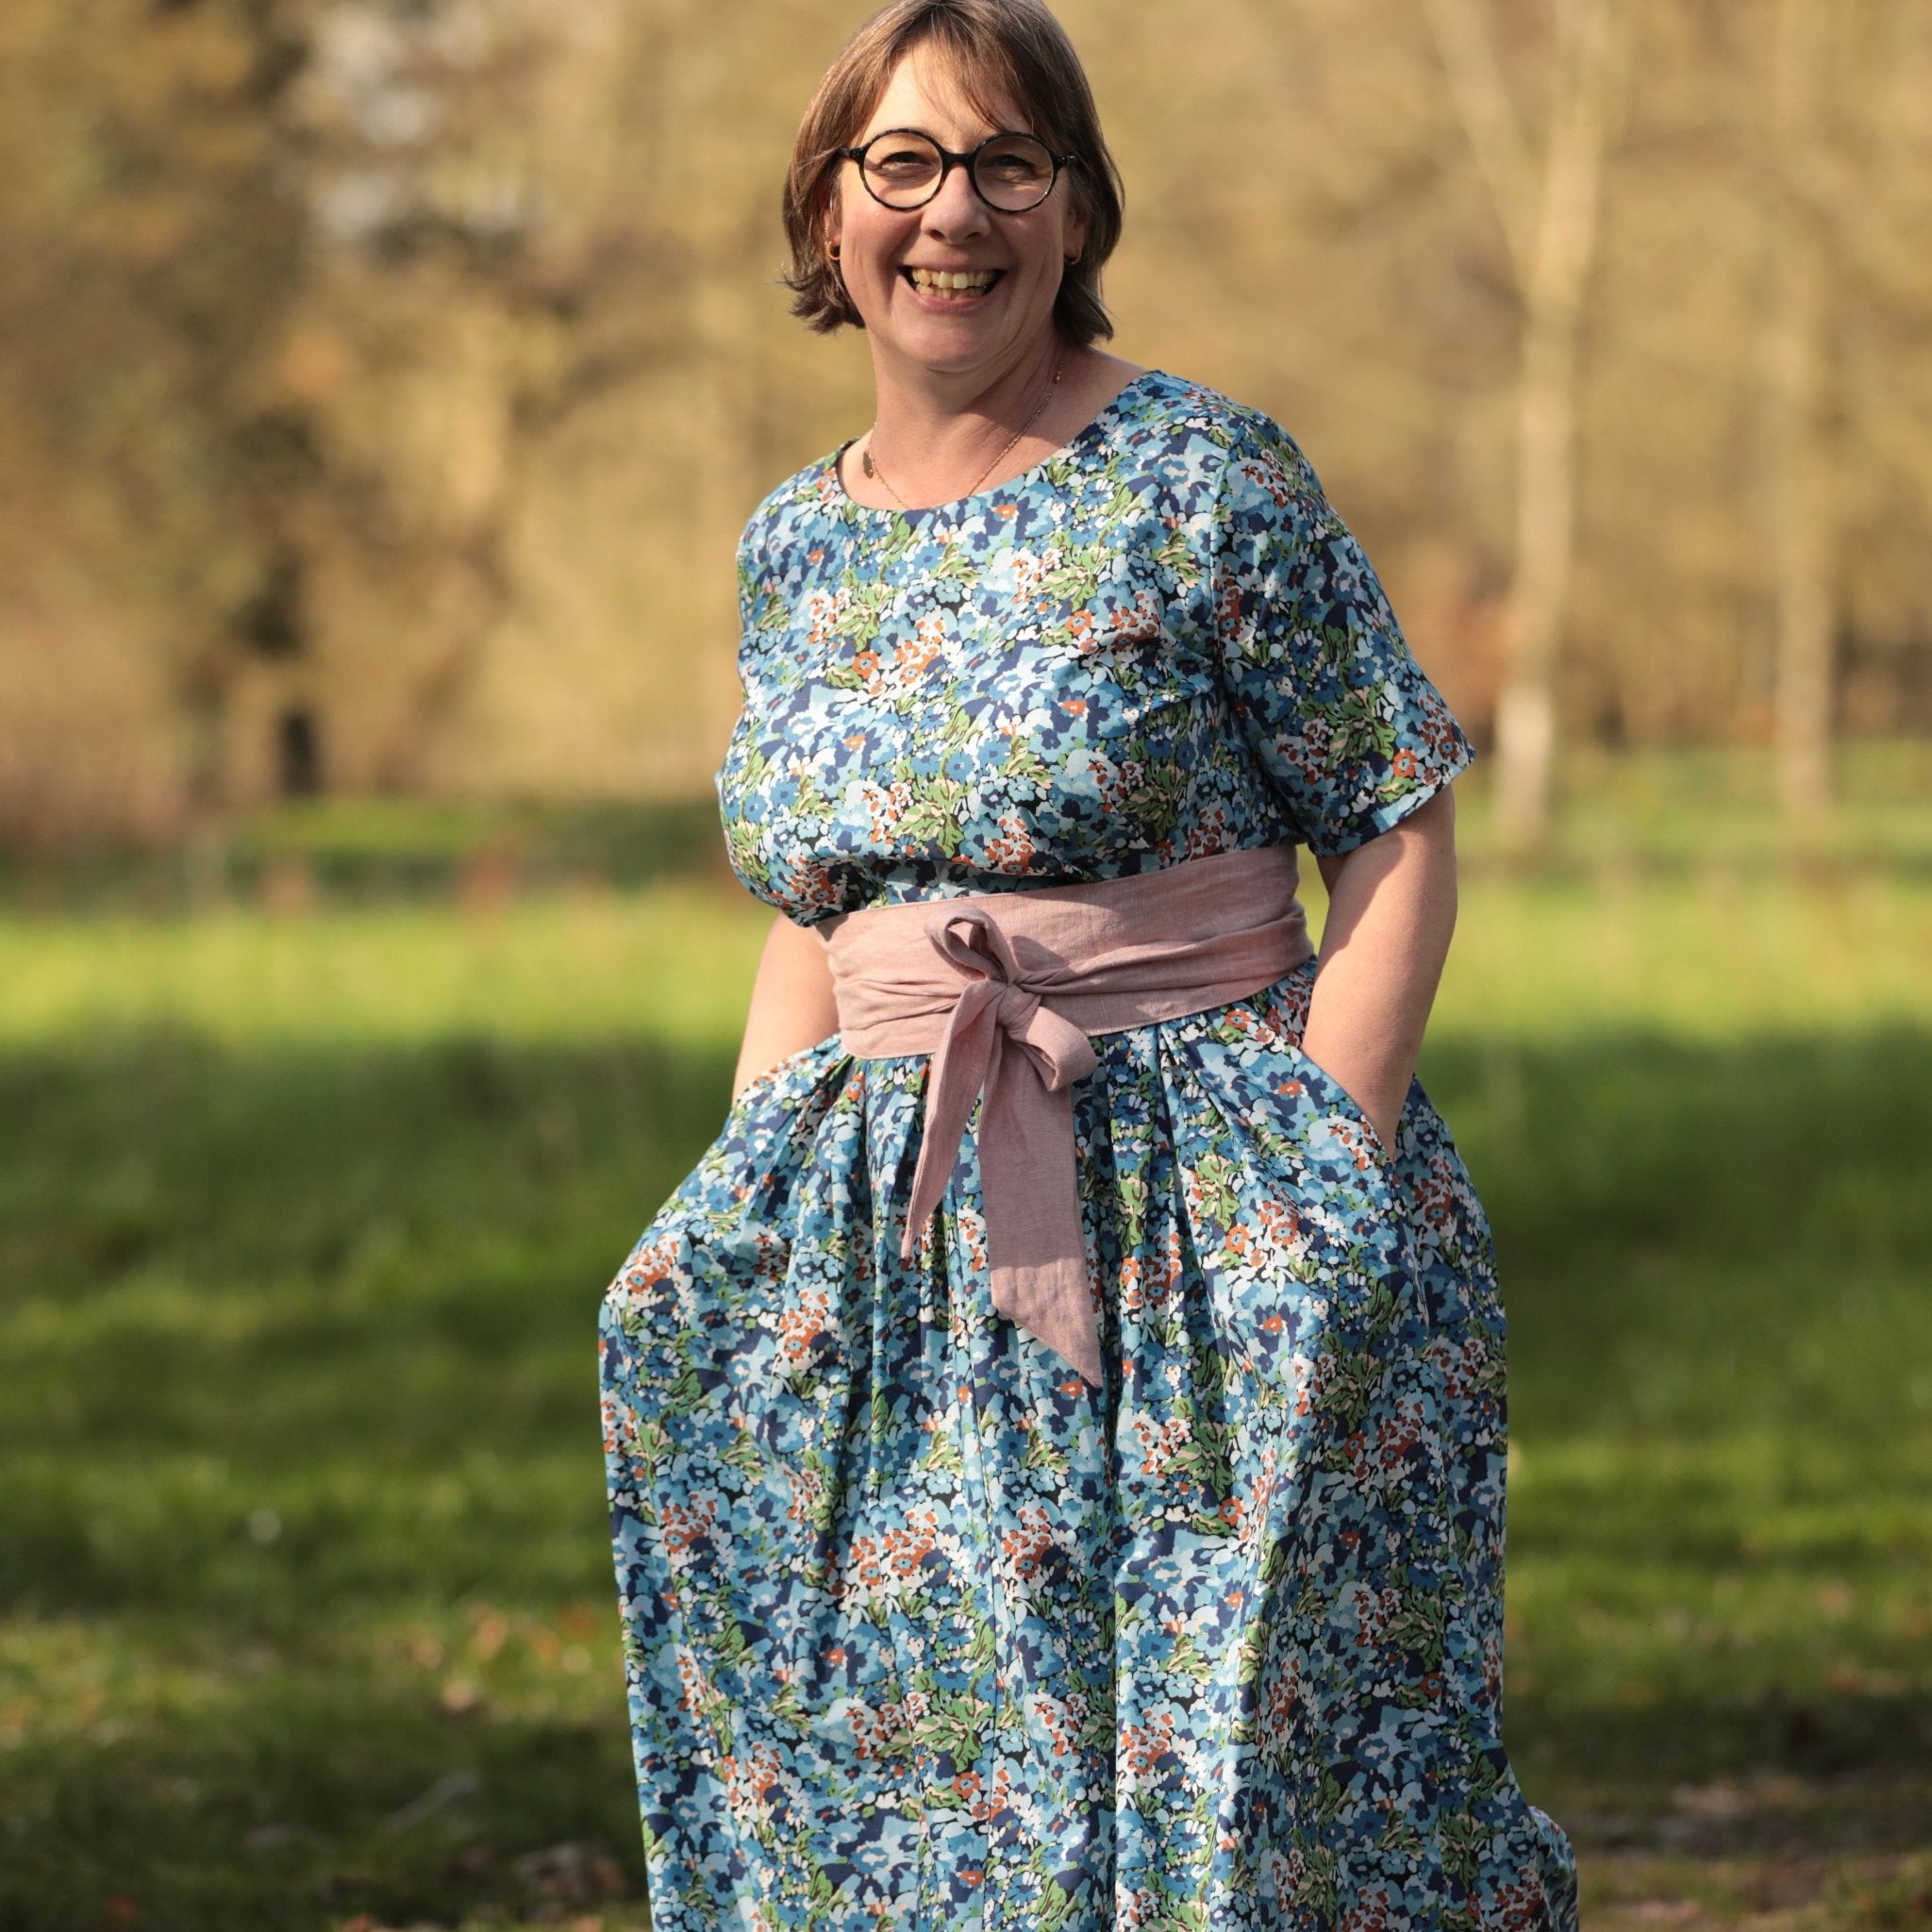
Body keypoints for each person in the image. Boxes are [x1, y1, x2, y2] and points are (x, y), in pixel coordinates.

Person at [598, 2, 1578, 1925]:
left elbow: (1394, 822)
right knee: (917, 1788)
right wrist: (754, 1197)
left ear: (1074, 205)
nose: (952, 212)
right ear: (824, 210)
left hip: (1207, 1221)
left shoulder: (1205, 476)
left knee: (1239, 1800)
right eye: (903, 162)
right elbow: (830, 912)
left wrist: (1326, 1176)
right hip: (894, 1230)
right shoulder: (792, 545)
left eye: (1007, 163)